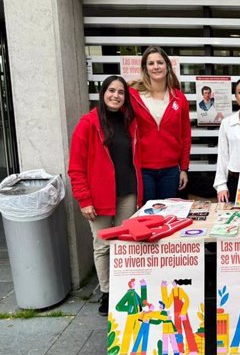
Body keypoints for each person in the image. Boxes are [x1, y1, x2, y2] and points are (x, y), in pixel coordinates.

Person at [68, 75, 142, 317]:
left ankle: (123, 288)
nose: (116, 96)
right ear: (103, 93)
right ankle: (108, 292)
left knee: (123, 244)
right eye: (112, 91)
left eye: (121, 92)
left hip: (127, 193)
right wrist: (84, 199)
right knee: (102, 246)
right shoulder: (88, 123)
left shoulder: (130, 122)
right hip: (98, 197)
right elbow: (76, 167)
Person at [129, 46, 191, 202]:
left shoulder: (179, 98)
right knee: (147, 216)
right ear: (145, 68)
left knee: (168, 217)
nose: (156, 66)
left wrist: (183, 169)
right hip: (143, 170)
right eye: (151, 63)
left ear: (167, 66)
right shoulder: (132, 95)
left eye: (160, 62)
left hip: (170, 170)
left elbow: (185, 136)